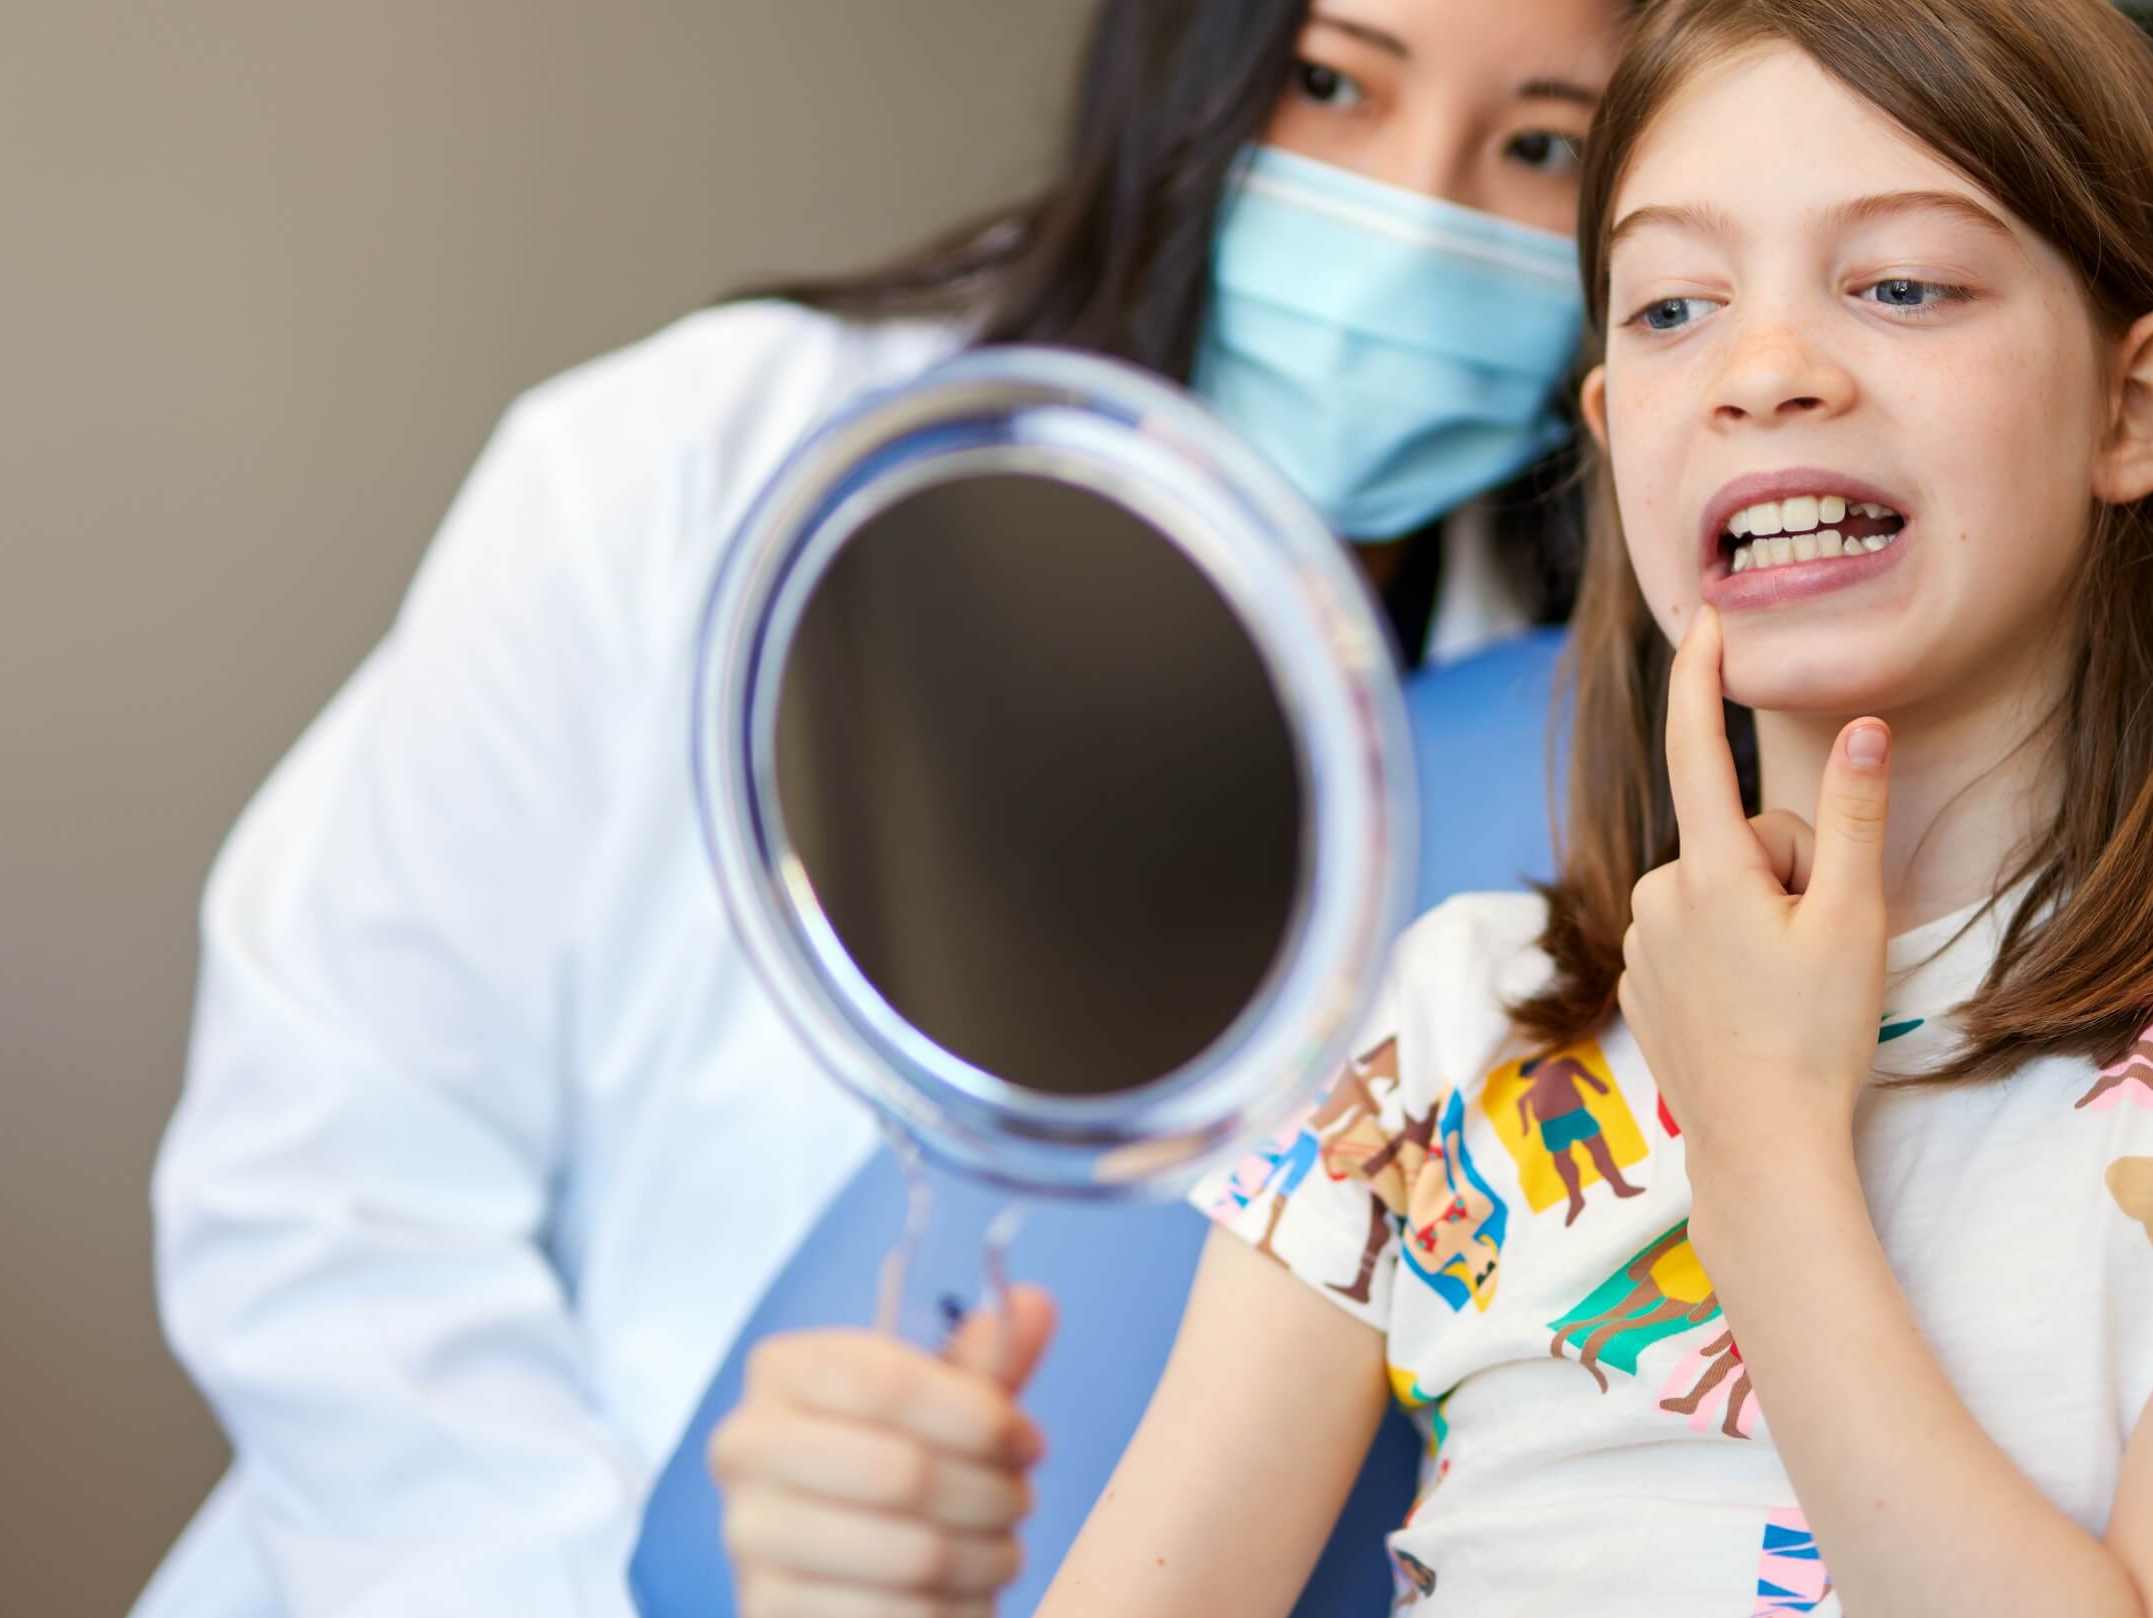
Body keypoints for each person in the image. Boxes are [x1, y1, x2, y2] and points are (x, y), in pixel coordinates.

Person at [702, 2, 2153, 1613]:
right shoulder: (1448, 1019)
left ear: (2137, 408)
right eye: (1667, 311)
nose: (1765, 371)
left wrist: (1765, 1148)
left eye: (1897, 283)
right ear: (1612, 438)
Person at [132, 2, 1633, 1614]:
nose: (1411, 216)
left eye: (1542, 144)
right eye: (1326, 84)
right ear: (1177, 69)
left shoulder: (1573, 734)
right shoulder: (689, 468)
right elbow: (324, 1187)